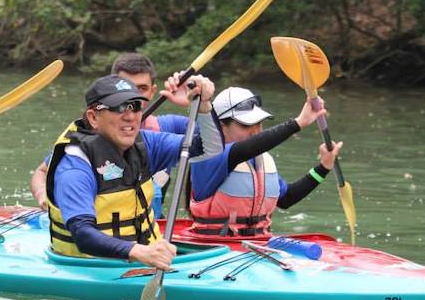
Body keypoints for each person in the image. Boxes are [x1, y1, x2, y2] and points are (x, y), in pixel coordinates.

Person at [45, 73, 222, 270]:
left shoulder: (147, 144)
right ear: (93, 117)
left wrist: (204, 106)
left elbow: (209, 148)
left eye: (135, 106)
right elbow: (83, 235)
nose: (129, 115)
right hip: (91, 268)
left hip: (150, 260)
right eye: (119, 107)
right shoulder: (75, 168)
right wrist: (139, 252)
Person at [29, 53, 192, 214]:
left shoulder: (167, 126)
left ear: (152, 91)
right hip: (101, 229)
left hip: (151, 227)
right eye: (126, 88)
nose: (133, 96)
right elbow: (42, 172)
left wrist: (191, 103)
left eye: (141, 89)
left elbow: (212, 137)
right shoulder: (87, 135)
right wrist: (43, 194)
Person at [189, 86, 342, 237]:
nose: (256, 131)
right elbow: (248, 148)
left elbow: (287, 199)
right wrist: (298, 123)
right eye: (246, 125)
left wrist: (323, 168)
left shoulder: (258, 161)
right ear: (221, 127)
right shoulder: (207, 155)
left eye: (259, 123)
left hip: (259, 245)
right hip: (214, 248)